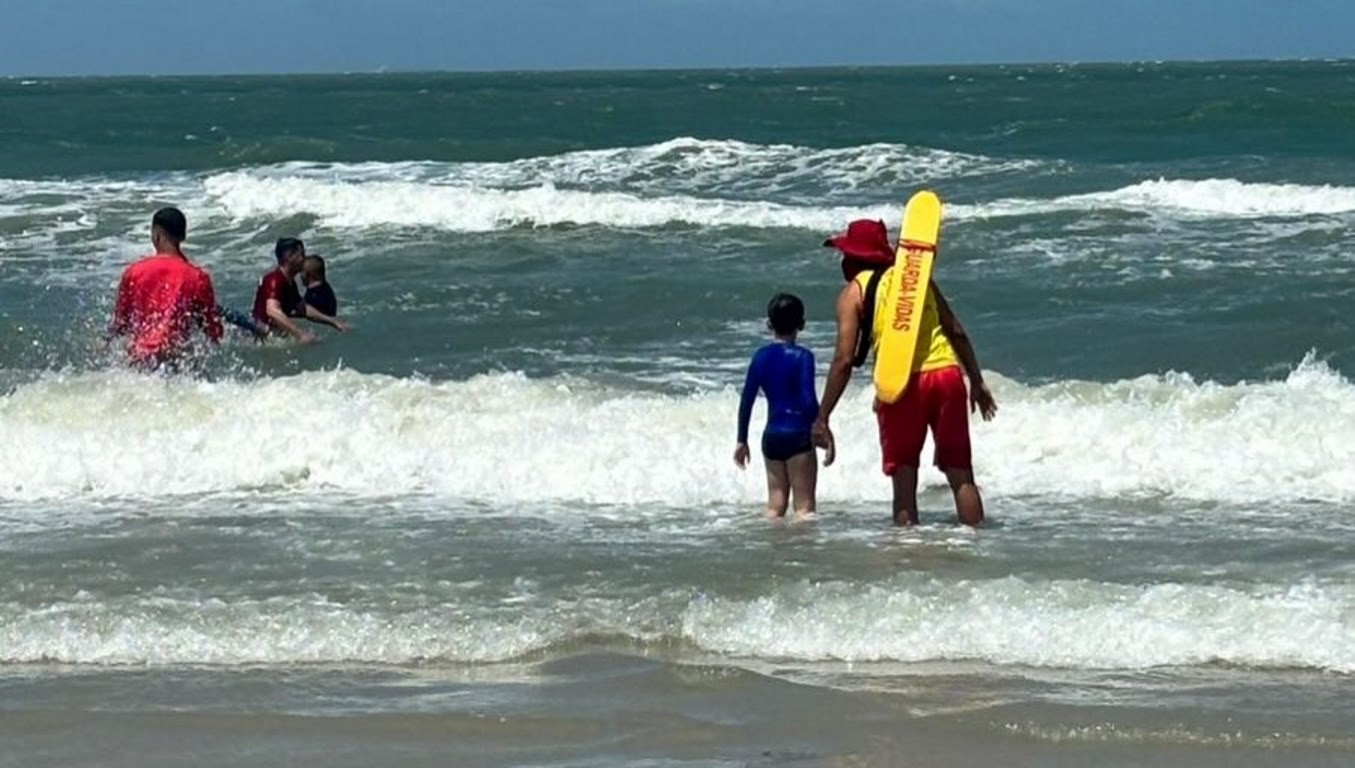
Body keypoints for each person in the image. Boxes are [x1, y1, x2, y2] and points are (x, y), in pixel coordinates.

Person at [813, 218, 997, 527]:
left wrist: (823, 416)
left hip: (900, 385)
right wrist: (976, 381)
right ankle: (976, 548)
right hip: (947, 376)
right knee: (961, 474)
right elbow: (956, 331)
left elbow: (844, 360)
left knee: (904, 479)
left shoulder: (852, 294)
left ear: (853, 258)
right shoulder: (916, 281)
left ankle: (908, 558)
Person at [734, 293, 831, 521]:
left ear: (769, 324)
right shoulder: (803, 357)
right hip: (798, 437)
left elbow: (746, 400)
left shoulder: (760, 357)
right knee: (804, 508)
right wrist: (821, 428)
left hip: (772, 438)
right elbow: (808, 399)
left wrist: (742, 440)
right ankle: (799, 555)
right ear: (802, 324)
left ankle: (773, 551)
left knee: (775, 506)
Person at [109, 207, 223, 370]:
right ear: (182, 236)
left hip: (140, 360)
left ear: (157, 235)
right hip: (174, 358)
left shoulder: (133, 272)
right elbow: (214, 332)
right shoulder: (197, 277)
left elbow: (121, 325)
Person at [251, 238, 347, 342]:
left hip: (273, 336)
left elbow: (303, 308)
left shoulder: (290, 282)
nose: (304, 259)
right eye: (301, 254)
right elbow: (272, 311)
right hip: (261, 338)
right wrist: (300, 334)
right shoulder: (275, 280)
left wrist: (333, 321)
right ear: (289, 257)